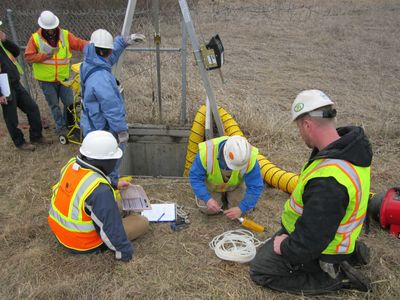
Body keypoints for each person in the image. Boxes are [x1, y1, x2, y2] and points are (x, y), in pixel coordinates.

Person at [250, 90, 373, 295]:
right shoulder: (347, 147)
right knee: (271, 247)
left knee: (261, 269)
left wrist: (287, 247)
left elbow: (313, 238)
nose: (300, 133)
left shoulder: (329, 180)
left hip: (324, 246)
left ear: (307, 124)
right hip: (327, 230)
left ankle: (334, 278)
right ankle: (351, 254)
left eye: (299, 127)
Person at [48, 130, 149, 262]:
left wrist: (113, 184)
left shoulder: (71, 165)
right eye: (114, 159)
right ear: (105, 161)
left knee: (116, 204)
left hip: (61, 232)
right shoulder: (101, 192)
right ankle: (133, 218)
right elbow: (112, 230)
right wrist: (124, 253)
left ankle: (127, 214)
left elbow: (86, 182)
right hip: (83, 242)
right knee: (142, 222)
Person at [80, 28, 145, 188]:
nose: (112, 55)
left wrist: (123, 41)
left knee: (96, 159)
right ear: (105, 52)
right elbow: (112, 109)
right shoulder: (102, 79)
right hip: (102, 127)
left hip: (90, 121)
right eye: (110, 51)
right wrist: (121, 130)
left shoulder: (90, 60)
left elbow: (109, 55)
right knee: (108, 160)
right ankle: (111, 187)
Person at [24, 10, 88, 134]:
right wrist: (44, 56)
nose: (51, 30)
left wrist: (93, 45)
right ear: (42, 26)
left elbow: (79, 44)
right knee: (54, 105)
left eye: (53, 27)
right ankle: (60, 128)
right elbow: (28, 57)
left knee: (69, 103)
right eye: (48, 28)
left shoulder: (65, 35)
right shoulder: (35, 38)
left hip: (63, 78)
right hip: (46, 80)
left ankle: (69, 124)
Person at [0, 21, 51, 150]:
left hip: (15, 82)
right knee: (11, 117)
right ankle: (20, 142)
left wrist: (5, 40)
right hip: (4, 87)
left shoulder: (2, 43)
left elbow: (16, 51)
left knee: (32, 108)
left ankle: (36, 136)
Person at [189, 135, 264, 220]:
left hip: (235, 186)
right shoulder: (206, 152)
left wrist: (241, 208)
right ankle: (210, 197)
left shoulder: (249, 157)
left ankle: (230, 197)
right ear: (224, 154)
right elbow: (195, 178)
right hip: (212, 186)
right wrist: (207, 199)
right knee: (208, 209)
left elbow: (256, 186)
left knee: (243, 210)